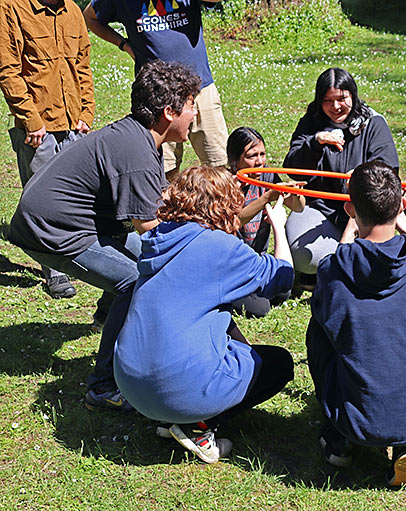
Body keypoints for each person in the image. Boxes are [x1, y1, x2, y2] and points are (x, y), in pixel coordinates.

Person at [7, 60, 202, 411]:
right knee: (136, 282)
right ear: (170, 111)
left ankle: (107, 319)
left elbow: (157, 201)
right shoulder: (138, 151)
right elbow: (152, 231)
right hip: (51, 231)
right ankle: (102, 386)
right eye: (191, 106)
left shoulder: (140, 137)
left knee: (143, 267)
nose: (195, 114)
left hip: (74, 221)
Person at [114, 166, 295, 464]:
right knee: (278, 364)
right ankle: (197, 426)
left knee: (219, 324)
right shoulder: (220, 247)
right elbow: (283, 278)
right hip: (174, 388)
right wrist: (279, 225)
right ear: (224, 204)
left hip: (130, 382)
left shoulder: (159, 237)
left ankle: (172, 415)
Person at [307, 160, 406, 487]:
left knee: (319, 329)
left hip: (354, 419)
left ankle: (339, 439)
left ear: (349, 208)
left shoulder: (333, 271)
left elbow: (331, 323)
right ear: (402, 205)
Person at [0, 0, 95, 299]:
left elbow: (83, 64)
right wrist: (31, 119)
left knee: (75, 197)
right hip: (38, 127)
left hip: (73, 122)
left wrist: (86, 113)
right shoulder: (12, 8)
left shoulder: (72, 11)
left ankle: (78, 257)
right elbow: (8, 70)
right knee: (42, 201)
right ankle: (54, 271)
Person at [84, 0, 228, 180]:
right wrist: (124, 45)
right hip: (158, 96)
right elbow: (90, 17)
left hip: (200, 88)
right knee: (163, 171)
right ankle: (169, 207)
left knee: (218, 165)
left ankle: (220, 206)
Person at [283, 67, 400, 282]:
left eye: (342, 99)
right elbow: (291, 167)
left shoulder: (372, 123)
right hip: (322, 208)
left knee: (374, 262)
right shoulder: (311, 122)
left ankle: (346, 264)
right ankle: (327, 268)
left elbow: (389, 169)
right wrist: (315, 143)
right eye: (328, 100)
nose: (336, 107)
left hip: (364, 211)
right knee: (303, 255)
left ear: (353, 96)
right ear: (319, 101)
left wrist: (361, 177)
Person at [226, 127, 305, 317]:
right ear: (234, 160)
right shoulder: (224, 184)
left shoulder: (267, 176)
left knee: (283, 291)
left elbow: (299, 207)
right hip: (234, 265)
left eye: (262, 154)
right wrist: (266, 198)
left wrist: (296, 195)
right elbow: (232, 222)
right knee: (259, 309)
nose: (260, 161)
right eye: (252, 156)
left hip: (258, 261)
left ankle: (254, 289)